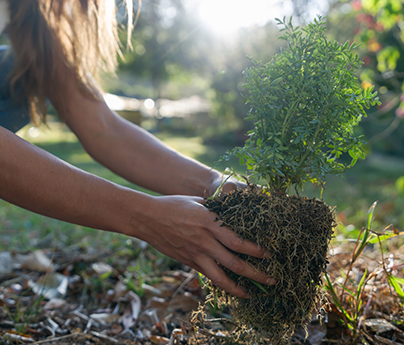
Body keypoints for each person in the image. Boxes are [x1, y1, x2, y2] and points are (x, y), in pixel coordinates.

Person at [0, 0, 275, 298]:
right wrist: (147, 217)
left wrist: (211, 182)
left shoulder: (36, 14)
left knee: (27, 66)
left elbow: (102, 127)